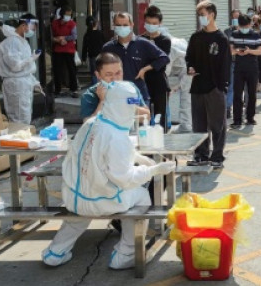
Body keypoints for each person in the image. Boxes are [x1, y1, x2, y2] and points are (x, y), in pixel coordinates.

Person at [42, 80, 174, 270]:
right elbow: (125, 179)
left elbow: (97, 153)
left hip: (73, 197)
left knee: (80, 212)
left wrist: (137, 157)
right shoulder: (117, 137)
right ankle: (126, 254)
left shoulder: (91, 123)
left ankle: (55, 252)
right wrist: (154, 170)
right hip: (101, 202)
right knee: (142, 196)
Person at [186, 1, 231, 169]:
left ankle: (217, 156)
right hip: (198, 87)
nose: (200, 18)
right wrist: (190, 67)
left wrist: (222, 87)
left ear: (212, 15)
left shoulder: (221, 39)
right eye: (199, 15)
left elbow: (226, 65)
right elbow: (189, 57)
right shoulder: (195, 37)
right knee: (199, 125)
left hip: (215, 88)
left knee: (217, 124)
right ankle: (201, 155)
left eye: (203, 14)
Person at [101, 12, 170, 110]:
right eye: (118, 25)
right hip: (115, 96)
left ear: (132, 25)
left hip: (138, 96)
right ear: (114, 26)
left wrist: (145, 69)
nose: (122, 28)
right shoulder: (108, 48)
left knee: (139, 118)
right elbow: (101, 69)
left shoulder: (142, 43)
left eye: (125, 25)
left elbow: (164, 58)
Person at [79, 52, 151, 120]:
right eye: (109, 74)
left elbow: (147, 116)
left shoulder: (130, 88)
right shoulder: (90, 95)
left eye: (118, 73)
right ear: (98, 75)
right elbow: (88, 125)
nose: (115, 78)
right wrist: (102, 101)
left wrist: (126, 104)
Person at [0, 17, 41, 124]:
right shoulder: (11, 42)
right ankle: (20, 134)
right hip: (16, 84)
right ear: (23, 25)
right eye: (32, 28)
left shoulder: (22, 41)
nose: (33, 32)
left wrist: (34, 82)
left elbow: (25, 70)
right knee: (19, 118)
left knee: (25, 115)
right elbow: (15, 66)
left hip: (22, 83)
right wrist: (31, 58)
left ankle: (24, 134)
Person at [141, 6, 173, 128]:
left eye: (154, 23)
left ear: (160, 23)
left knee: (160, 116)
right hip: (143, 82)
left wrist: (147, 66)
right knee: (144, 116)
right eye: (148, 23)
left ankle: (162, 135)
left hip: (159, 82)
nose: (151, 26)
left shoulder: (165, 40)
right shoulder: (139, 40)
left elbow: (162, 61)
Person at [229, 15, 261, 129]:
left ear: (250, 24)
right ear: (239, 25)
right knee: (237, 94)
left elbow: (260, 51)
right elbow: (230, 50)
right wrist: (236, 51)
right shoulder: (234, 34)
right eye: (242, 26)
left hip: (252, 68)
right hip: (238, 68)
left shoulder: (255, 35)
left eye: (246, 26)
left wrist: (249, 51)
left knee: (252, 94)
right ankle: (237, 120)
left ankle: (250, 118)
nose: (244, 28)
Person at [50, 6, 78, 97]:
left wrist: (64, 38)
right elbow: (50, 36)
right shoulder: (54, 23)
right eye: (67, 14)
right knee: (57, 70)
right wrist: (58, 40)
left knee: (71, 69)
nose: (68, 17)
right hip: (58, 49)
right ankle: (57, 90)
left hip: (69, 49)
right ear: (62, 14)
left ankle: (74, 89)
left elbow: (74, 36)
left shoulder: (72, 23)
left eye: (70, 15)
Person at [167, 37, 193, 132]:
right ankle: (187, 124)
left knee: (185, 99)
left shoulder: (168, 46)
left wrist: (172, 88)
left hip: (186, 70)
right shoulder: (177, 40)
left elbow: (166, 70)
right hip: (186, 67)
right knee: (187, 98)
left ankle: (186, 125)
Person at [81, 16, 108, 86]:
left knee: (94, 73)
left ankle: (95, 87)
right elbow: (105, 44)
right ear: (96, 24)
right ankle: (103, 86)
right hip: (101, 56)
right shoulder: (100, 33)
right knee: (102, 71)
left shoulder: (87, 34)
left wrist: (83, 58)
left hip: (92, 56)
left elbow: (84, 47)